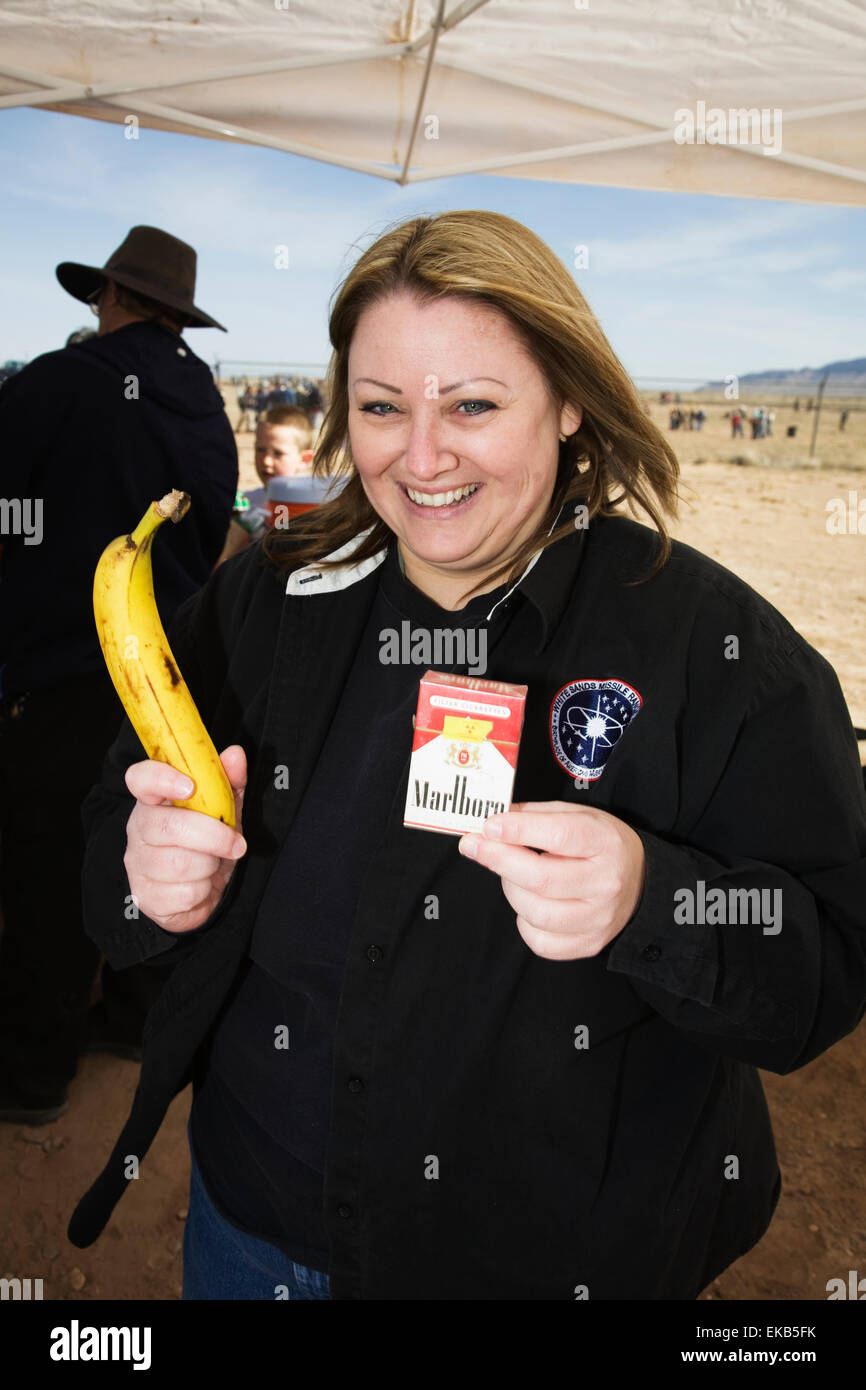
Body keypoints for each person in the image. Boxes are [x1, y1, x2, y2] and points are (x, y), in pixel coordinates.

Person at [68, 210, 866, 1301]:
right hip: (247, 1231)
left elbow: (823, 960)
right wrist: (142, 876)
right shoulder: (260, 601)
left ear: (570, 400)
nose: (422, 455)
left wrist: (656, 899)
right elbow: (111, 839)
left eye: (474, 405)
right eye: (382, 407)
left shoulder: (718, 656)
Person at [0, 225, 238, 1124]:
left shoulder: (62, 382)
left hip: (62, 670)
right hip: (173, 680)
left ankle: (31, 1074)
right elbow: (210, 542)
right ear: (176, 315)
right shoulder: (207, 410)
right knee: (161, 855)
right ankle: (133, 1019)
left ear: (109, 297)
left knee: (47, 869)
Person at [217, 406, 315, 563]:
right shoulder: (245, 504)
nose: (266, 461)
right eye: (260, 450)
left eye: (278, 453)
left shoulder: (313, 506)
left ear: (304, 459)